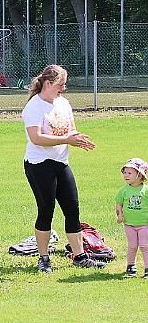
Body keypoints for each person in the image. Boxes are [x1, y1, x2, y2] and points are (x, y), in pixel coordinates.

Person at [21, 64, 106, 272]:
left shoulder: (63, 103)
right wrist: (66, 139)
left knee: (72, 208)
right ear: (48, 83)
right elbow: (36, 138)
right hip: (39, 164)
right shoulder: (34, 106)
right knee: (46, 209)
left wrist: (77, 139)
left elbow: (71, 129)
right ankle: (44, 258)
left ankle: (80, 256)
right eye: (60, 84)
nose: (63, 88)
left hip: (61, 162)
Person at [115, 158, 148, 278]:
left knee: (145, 246)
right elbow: (119, 204)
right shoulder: (123, 190)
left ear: (140, 176)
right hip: (129, 224)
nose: (126, 175)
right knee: (132, 246)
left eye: (129, 173)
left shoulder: (145, 190)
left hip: (144, 224)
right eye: (125, 172)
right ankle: (130, 266)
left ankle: (147, 268)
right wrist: (120, 215)